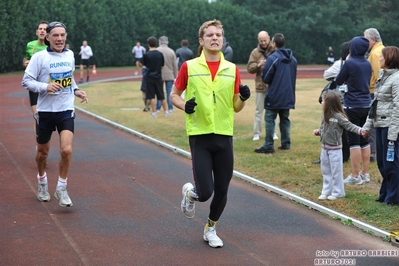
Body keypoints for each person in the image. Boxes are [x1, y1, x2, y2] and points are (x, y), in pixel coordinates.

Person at [170, 19, 250, 248]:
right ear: (201, 41)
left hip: (224, 134)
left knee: (223, 188)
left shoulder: (232, 69)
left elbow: (236, 106)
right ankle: (191, 194)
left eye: (218, 35)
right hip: (200, 134)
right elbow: (174, 94)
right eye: (210, 35)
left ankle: (211, 228)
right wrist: (184, 105)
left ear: (223, 40)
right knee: (205, 192)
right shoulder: (190, 67)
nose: (215, 38)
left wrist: (242, 97)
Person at [21, 21, 88, 207]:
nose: (59, 39)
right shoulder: (39, 58)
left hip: (65, 110)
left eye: (62, 35)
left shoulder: (70, 55)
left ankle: (61, 187)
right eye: (55, 35)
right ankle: (42, 181)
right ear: (47, 37)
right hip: (45, 111)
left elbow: (70, 77)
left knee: (66, 150)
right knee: (42, 153)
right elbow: (26, 81)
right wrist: (45, 87)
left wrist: (76, 90)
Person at [362, 46, 399, 205]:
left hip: (390, 127)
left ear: (389, 59)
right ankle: (385, 193)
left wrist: (393, 133)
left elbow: (398, 107)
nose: (379, 59)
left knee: (391, 163)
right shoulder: (383, 76)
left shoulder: (397, 78)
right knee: (382, 163)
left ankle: (394, 197)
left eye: (382, 57)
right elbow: (375, 104)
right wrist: (367, 126)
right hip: (379, 124)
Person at [313, 91, 363, 201]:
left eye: (324, 100)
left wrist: (361, 130)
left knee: (336, 172)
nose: (322, 102)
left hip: (335, 150)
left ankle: (338, 192)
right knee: (325, 171)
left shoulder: (339, 117)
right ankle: (326, 191)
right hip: (324, 148)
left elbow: (350, 126)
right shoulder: (324, 116)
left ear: (330, 103)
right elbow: (324, 129)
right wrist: (319, 132)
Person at [335, 36, 372, 185]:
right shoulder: (367, 64)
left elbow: (338, 80)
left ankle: (355, 176)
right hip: (366, 105)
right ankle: (365, 174)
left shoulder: (350, 63)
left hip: (352, 105)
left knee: (354, 141)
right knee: (365, 139)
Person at [255, 33, 297, 154]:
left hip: (274, 94)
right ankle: (286, 143)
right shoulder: (293, 59)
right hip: (288, 94)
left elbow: (266, 77)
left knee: (269, 118)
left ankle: (268, 145)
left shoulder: (272, 59)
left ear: (274, 44)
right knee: (285, 119)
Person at [313, 41, 351, 164]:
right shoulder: (363, 63)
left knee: (331, 124)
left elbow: (326, 74)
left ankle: (328, 153)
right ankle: (346, 155)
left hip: (339, 99)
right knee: (347, 126)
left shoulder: (341, 64)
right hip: (354, 100)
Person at [246, 30, 277, 141]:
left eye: (265, 40)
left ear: (269, 39)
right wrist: (258, 65)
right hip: (260, 86)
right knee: (259, 111)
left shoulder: (275, 50)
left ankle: (274, 132)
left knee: (273, 110)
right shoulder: (255, 52)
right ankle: (257, 133)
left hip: (273, 86)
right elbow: (249, 68)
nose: (263, 43)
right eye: (261, 41)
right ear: (258, 40)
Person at [23, 20, 49, 144]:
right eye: (40, 28)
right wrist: (26, 63)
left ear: (48, 33)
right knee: (37, 117)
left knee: (46, 118)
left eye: (45, 29)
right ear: (36, 32)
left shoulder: (51, 47)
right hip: (34, 85)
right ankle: (39, 145)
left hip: (47, 86)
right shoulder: (30, 45)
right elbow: (26, 59)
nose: (42, 30)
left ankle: (45, 143)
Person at [364, 28, 385, 163]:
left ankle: (371, 152)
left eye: (366, 39)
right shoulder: (382, 49)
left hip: (374, 92)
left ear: (373, 40)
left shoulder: (375, 54)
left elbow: (379, 76)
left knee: (371, 122)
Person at [142, 36, 170, 118]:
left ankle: (154, 113)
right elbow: (162, 66)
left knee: (151, 96)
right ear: (156, 43)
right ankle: (166, 111)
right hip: (158, 77)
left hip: (150, 77)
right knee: (161, 95)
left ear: (148, 44)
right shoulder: (160, 54)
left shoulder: (146, 55)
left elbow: (145, 66)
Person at [156, 36, 178, 112]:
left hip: (159, 75)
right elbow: (175, 65)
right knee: (169, 92)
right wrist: (176, 76)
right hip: (169, 74)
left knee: (159, 92)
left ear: (160, 42)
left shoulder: (157, 50)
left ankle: (158, 108)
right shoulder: (171, 51)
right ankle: (170, 108)